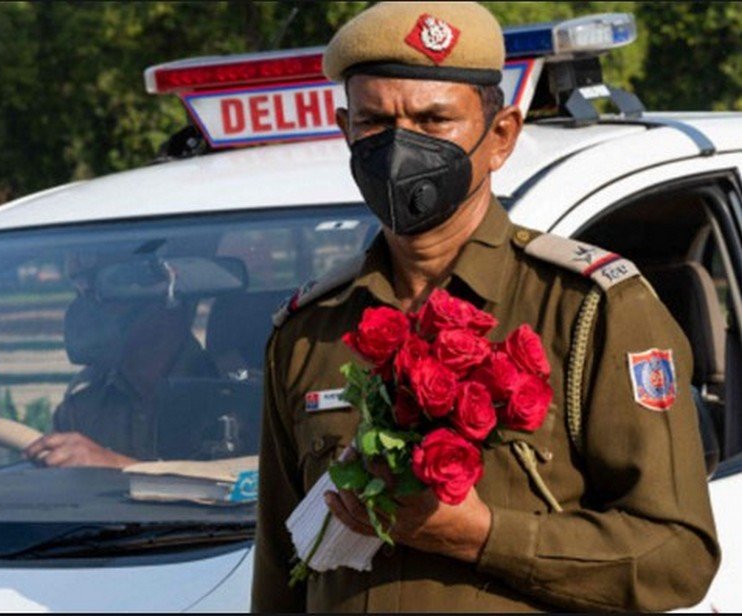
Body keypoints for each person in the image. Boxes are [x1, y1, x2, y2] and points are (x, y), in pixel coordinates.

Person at [252, 2, 720, 612]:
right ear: (344, 130)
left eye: (433, 120)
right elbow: (280, 572)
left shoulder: (588, 310)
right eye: (374, 122)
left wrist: (481, 535)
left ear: (500, 137)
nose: (400, 147)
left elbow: (676, 558)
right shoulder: (310, 331)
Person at [24, 255, 218, 469]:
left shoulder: (233, 402)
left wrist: (115, 465)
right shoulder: (80, 412)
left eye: (106, 294)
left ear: (167, 305)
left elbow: (246, 490)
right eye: (82, 293)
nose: (84, 310)